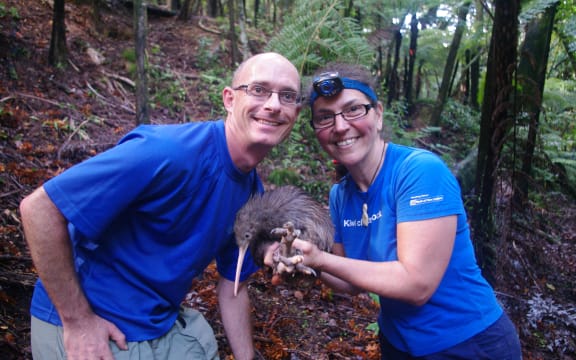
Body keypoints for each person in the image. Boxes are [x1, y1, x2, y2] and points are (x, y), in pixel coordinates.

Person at [19, 52, 303, 360]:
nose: (273, 104)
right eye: (259, 90)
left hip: (155, 325)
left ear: (295, 113)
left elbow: (233, 288)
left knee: (202, 343)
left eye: (287, 96)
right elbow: (39, 208)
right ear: (230, 99)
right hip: (90, 323)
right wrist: (78, 322)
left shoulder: (251, 193)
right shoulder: (168, 152)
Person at [266, 63, 522, 359]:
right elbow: (349, 280)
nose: (339, 126)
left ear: (378, 114)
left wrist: (321, 258)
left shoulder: (419, 171)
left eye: (353, 110)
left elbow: (417, 285)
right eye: (325, 117)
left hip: (469, 343)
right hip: (398, 343)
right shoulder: (341, 194)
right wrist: (303, 264)